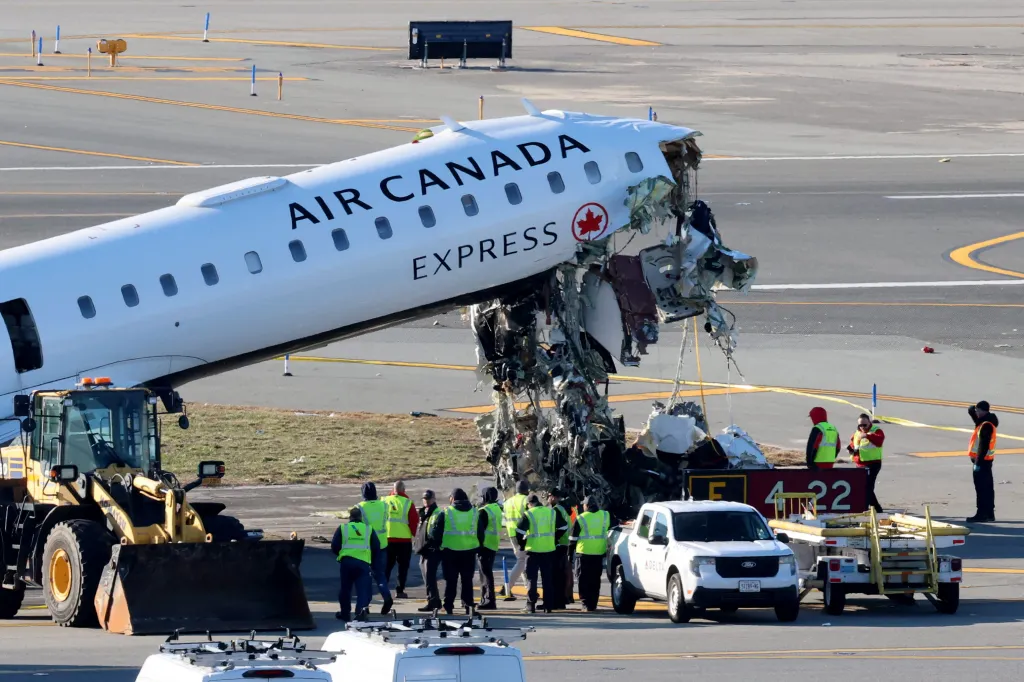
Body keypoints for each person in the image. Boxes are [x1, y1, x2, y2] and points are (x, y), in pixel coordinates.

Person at [430, 488, 487, 615]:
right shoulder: (474, 512)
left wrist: (439, 546)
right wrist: (479, 546)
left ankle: (449, 605)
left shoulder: (446, 513)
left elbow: (435, 533)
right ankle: (468, 606)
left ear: (453, 499)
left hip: (450, 551)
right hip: (469, 551)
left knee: (451, 580)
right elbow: (480, 532)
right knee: (467, 580)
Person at [515, 494, 568, 613]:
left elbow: (518, 531)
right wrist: (555, 539)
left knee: (531, 578)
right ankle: (548, 606)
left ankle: (530, 605)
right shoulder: (551, 512)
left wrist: (522, 544)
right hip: (549, 550)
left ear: (529, 504)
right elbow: (564, 526)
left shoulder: (529, 514)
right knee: (547, 579)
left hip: (533, 550)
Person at [330, 506, 381, 622]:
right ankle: (360, 613)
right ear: (361, 517)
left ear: (350, 517)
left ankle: (345, 614)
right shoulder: (368, 529)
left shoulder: (343, 528)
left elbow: (334, 546)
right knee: (362, 590)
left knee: (345, 589)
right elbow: (376, 547)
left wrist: (342, 554)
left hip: (347, 562)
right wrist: (372, 561)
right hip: (363, 563)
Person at [570, 497, 613, 611]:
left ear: (587, 505)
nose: (583, 506)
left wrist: (569, 555)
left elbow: (572, 539)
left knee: (583, 580)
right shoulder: (605, 515)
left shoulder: (581, 518)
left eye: (583, 505)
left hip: (583, 553)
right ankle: (593, 604)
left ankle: (585, 604)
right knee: (595, 579)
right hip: (599, 553)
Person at [357, 482, 393, 613]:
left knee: (365, 576)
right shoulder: (384, 505)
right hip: (382, 544)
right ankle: (386, 596)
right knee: (380, 574)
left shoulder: (360, 507)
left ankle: (365, 605)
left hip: (366, 546)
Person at [383, 480, 419, 599]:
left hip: (387, 539)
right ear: (404, 490)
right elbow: (414, 522)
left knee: (387, 567)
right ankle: (400, 590)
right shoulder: (408, 503)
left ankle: (384, 589)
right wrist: (416, 536)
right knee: (403, 567)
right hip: (404, 541)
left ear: (393, 490)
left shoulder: (384, 501)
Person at [967, 401, 999, 523]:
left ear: (982, 411)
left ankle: (982, 514)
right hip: (986, 461)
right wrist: (972, 412)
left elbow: (983, 445)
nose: (977, 413)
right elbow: (977, 420)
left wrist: (978, 463)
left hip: (982, 462)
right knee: (988, 489)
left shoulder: (986, 425)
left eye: (978, 411)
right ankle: (989, 514)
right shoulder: (987, 421)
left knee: (982, 489)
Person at [846, 414, 884, 513]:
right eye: (860, 425)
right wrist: (851, 450)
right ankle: (873, 508)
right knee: (863, 487)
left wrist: (867, 436)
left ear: (869, 423)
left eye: (864, 425)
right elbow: (853, 444)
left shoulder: (876, 430)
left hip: (873, 463)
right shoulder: (857, 433)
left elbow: (879, 441)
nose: (862, 427)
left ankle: (874, 508)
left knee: (867, 487)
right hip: (860, 464)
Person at [500, 480, 530, 600]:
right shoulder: (526, 500)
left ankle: (528, 587)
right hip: (523, 534)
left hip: (512, 534)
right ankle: (506, 587)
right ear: (526, 490)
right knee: (522, 562)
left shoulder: (507, 502)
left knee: (522, 561)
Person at [414, 490, 441, 612]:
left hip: (432, 550)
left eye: (429, 498)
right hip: (424, 550)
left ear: (434, 499)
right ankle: (435, 600)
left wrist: (432, 545)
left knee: (430, 577)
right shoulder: (423, 512)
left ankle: (433, 601)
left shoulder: (437, 513)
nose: (426, 500)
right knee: (427, 577)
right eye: (424, 498)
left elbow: (437, 533)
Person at [547, 489, 573, 610]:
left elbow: (563, 526)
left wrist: (555, 539)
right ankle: (561, 600)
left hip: (559, 545)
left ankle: (556, 601)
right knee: (561, 574)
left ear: (553, 497)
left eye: (548, 497)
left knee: (555, 575)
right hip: (564, 544)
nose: (548, 499)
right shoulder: (562, 509)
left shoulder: (556, 510)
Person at [477, 487, 503, 610]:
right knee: (487, 572)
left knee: (485, 573)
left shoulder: (484, 511)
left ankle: (489, 600)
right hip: (493, 544)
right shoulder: (496, 508)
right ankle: (486, 599)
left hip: (485, 545)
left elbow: (479, 530)